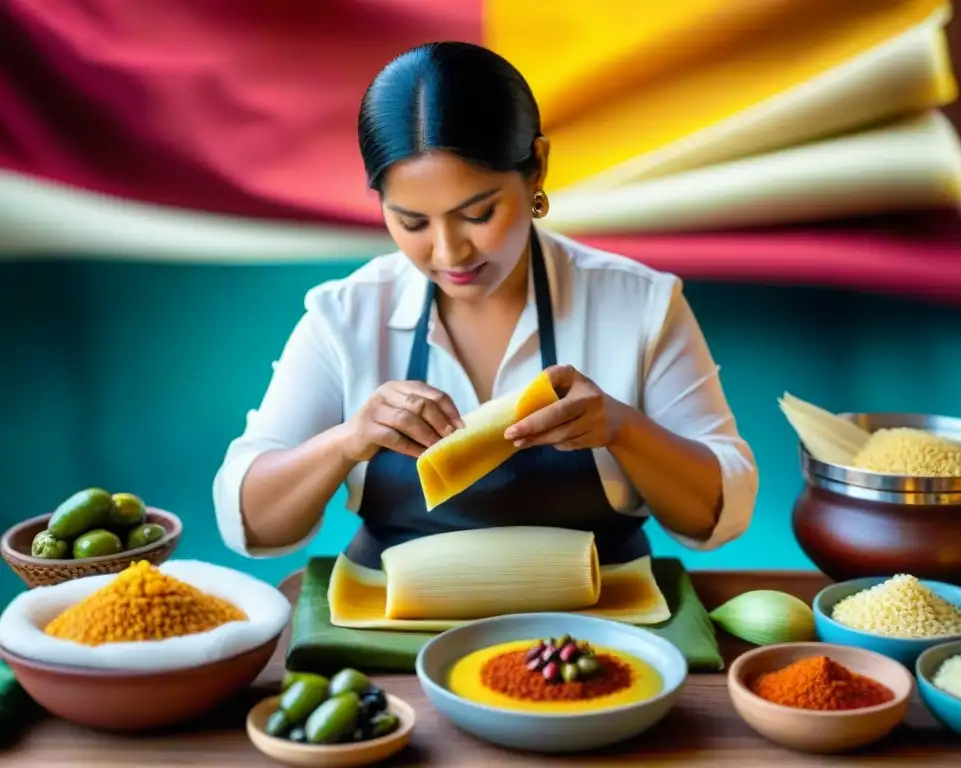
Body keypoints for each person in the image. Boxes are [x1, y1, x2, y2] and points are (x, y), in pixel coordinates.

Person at [213, 41, 758, 569]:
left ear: (537, 167)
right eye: (412, 222)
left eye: (478, 214)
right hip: (393, 640)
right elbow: (250, 523)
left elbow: (721, 515)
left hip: (600, 633)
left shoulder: (640, 303)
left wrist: (623, 427)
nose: (449, 253)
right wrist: (347, 440)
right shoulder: (346, 315)